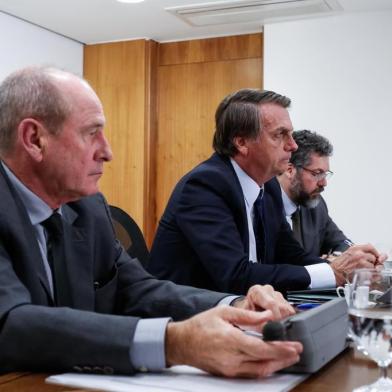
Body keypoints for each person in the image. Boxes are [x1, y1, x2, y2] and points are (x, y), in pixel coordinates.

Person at [0, 67, 302, 377]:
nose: (108, 152)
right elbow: (10, 325)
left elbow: (137, 289)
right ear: (34, 139)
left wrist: (237, 306)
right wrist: (173, 343)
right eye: (92, 133)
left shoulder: (87, 207)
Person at [148, 89, 384, 294]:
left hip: (241, 314)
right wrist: (333, 273)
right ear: (241, 142)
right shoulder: (205, 186)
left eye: (290, 134)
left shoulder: (268, 186)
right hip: (187, 321)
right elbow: (235, 275)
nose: (293, 145)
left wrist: (352, 269)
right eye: (279, 135)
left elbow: (291, 255)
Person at [277, 130, 352, 258]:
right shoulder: (263, 203)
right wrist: (326, 266)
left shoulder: (316, 204)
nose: (323, 183)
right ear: (289, 170)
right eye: (317, 173)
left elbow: (341, 243)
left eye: (325, 174)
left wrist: (338, 258)